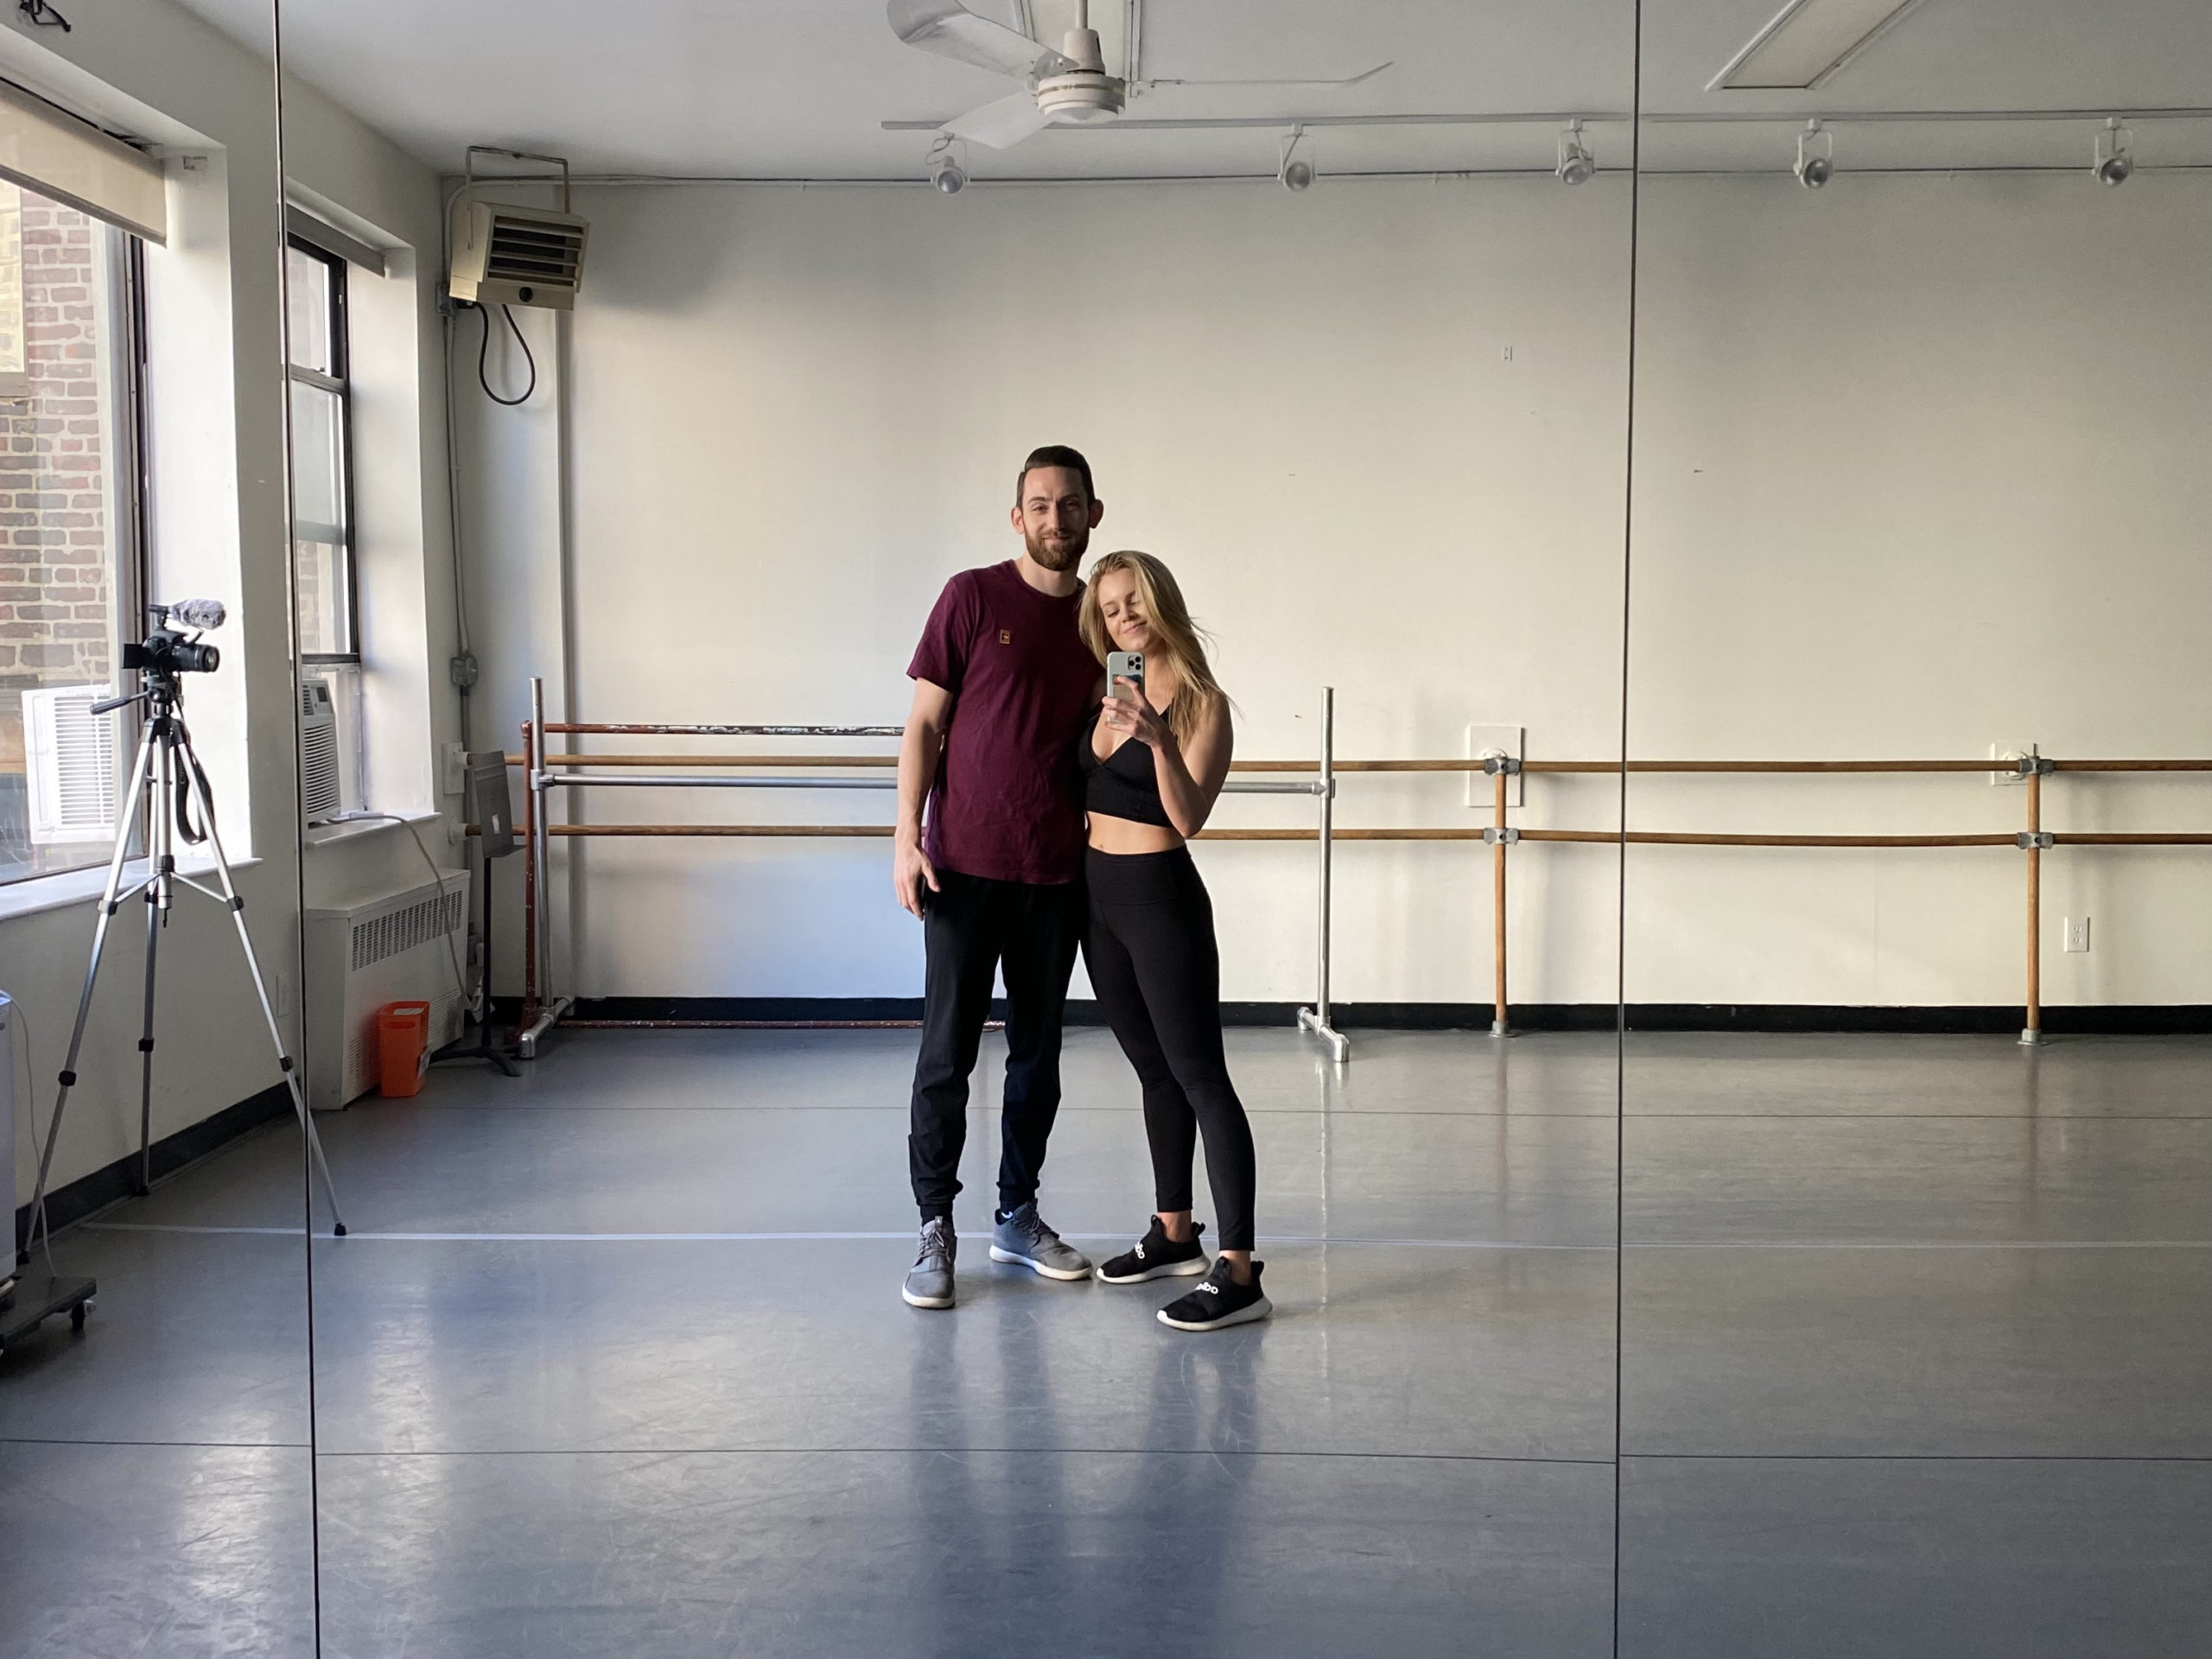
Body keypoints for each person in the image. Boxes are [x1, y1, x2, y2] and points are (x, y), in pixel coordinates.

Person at [894, 446, 1107, 1310]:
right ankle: (934, 1227)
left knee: (1038, 1055)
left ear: (1095, 514)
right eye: (1040, 505)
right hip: (962, 871)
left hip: (1056, 874)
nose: (1056, 520)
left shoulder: (1105, 620)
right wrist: (906, 838)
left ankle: (1015, 1214)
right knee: (946, 1055)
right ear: (1017, 517)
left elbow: (1112, 735)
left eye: (1070, 505)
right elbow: (923, 727)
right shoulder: (971, 597)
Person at [1077, 550, 1269, 1332]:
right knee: (1151, 1068)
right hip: (1099, 900)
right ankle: (1174, 1233)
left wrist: (1157, 739)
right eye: (1110, 606)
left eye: (1134, 602)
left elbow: (1189, 816)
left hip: (1161, 900)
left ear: (1163, 605)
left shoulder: (1202, 704)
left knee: (1200, 1075)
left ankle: (1242, 1271)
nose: (1123, 616)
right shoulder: (1105, 690)